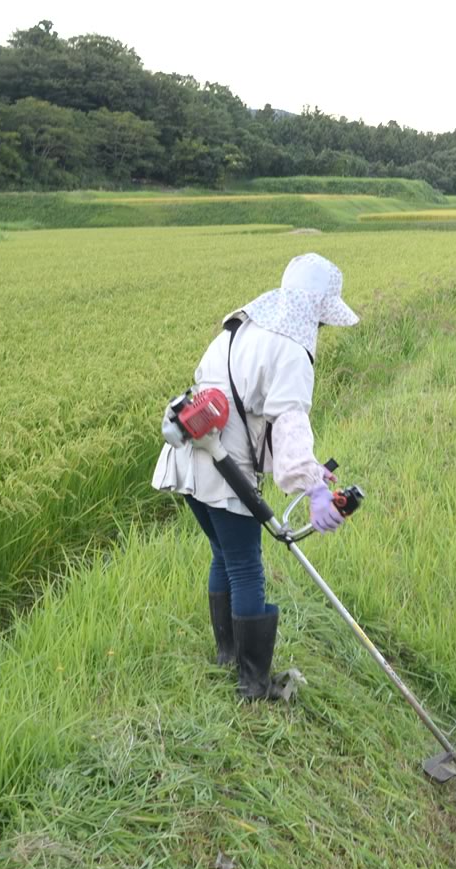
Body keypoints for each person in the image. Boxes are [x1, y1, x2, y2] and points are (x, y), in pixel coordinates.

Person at [153, 253, 359, 700]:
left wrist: (310, 471)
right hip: (224, 468)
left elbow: (245, 410)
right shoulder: (291, 351)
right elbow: (287, 421)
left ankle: (229, 657)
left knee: (224, 556)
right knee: (246, 567)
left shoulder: (242, 329)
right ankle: (253, 686)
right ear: (316, 312)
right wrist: (311, 488)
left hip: (191, 456)